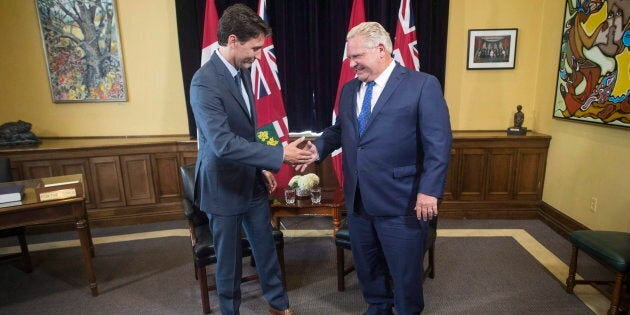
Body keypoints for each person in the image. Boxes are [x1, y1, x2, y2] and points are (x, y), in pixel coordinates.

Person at [299, 22, 452, 315]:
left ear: (381, 50)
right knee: (368, 268)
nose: (351, 63)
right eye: (350, 57)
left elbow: (439, 143)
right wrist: (317, 148)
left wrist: (429, 192)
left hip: (402, 201)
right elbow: (340, 129)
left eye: (356, 56)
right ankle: (378, 307)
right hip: (358, 201)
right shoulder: (348, 90)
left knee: (405, 274)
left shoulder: (422, 85)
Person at [189, 4, 311, 315]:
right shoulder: (204, 82)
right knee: (228, 262)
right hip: (222, 186)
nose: (258, 56)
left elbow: (246, 132)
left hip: (251, 180)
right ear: (233, 40)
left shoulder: (244, 72)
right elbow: (222, 143)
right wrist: (278, 155)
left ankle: (278, 306)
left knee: (266, 249)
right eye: (254, 48)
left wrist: (261, 166)